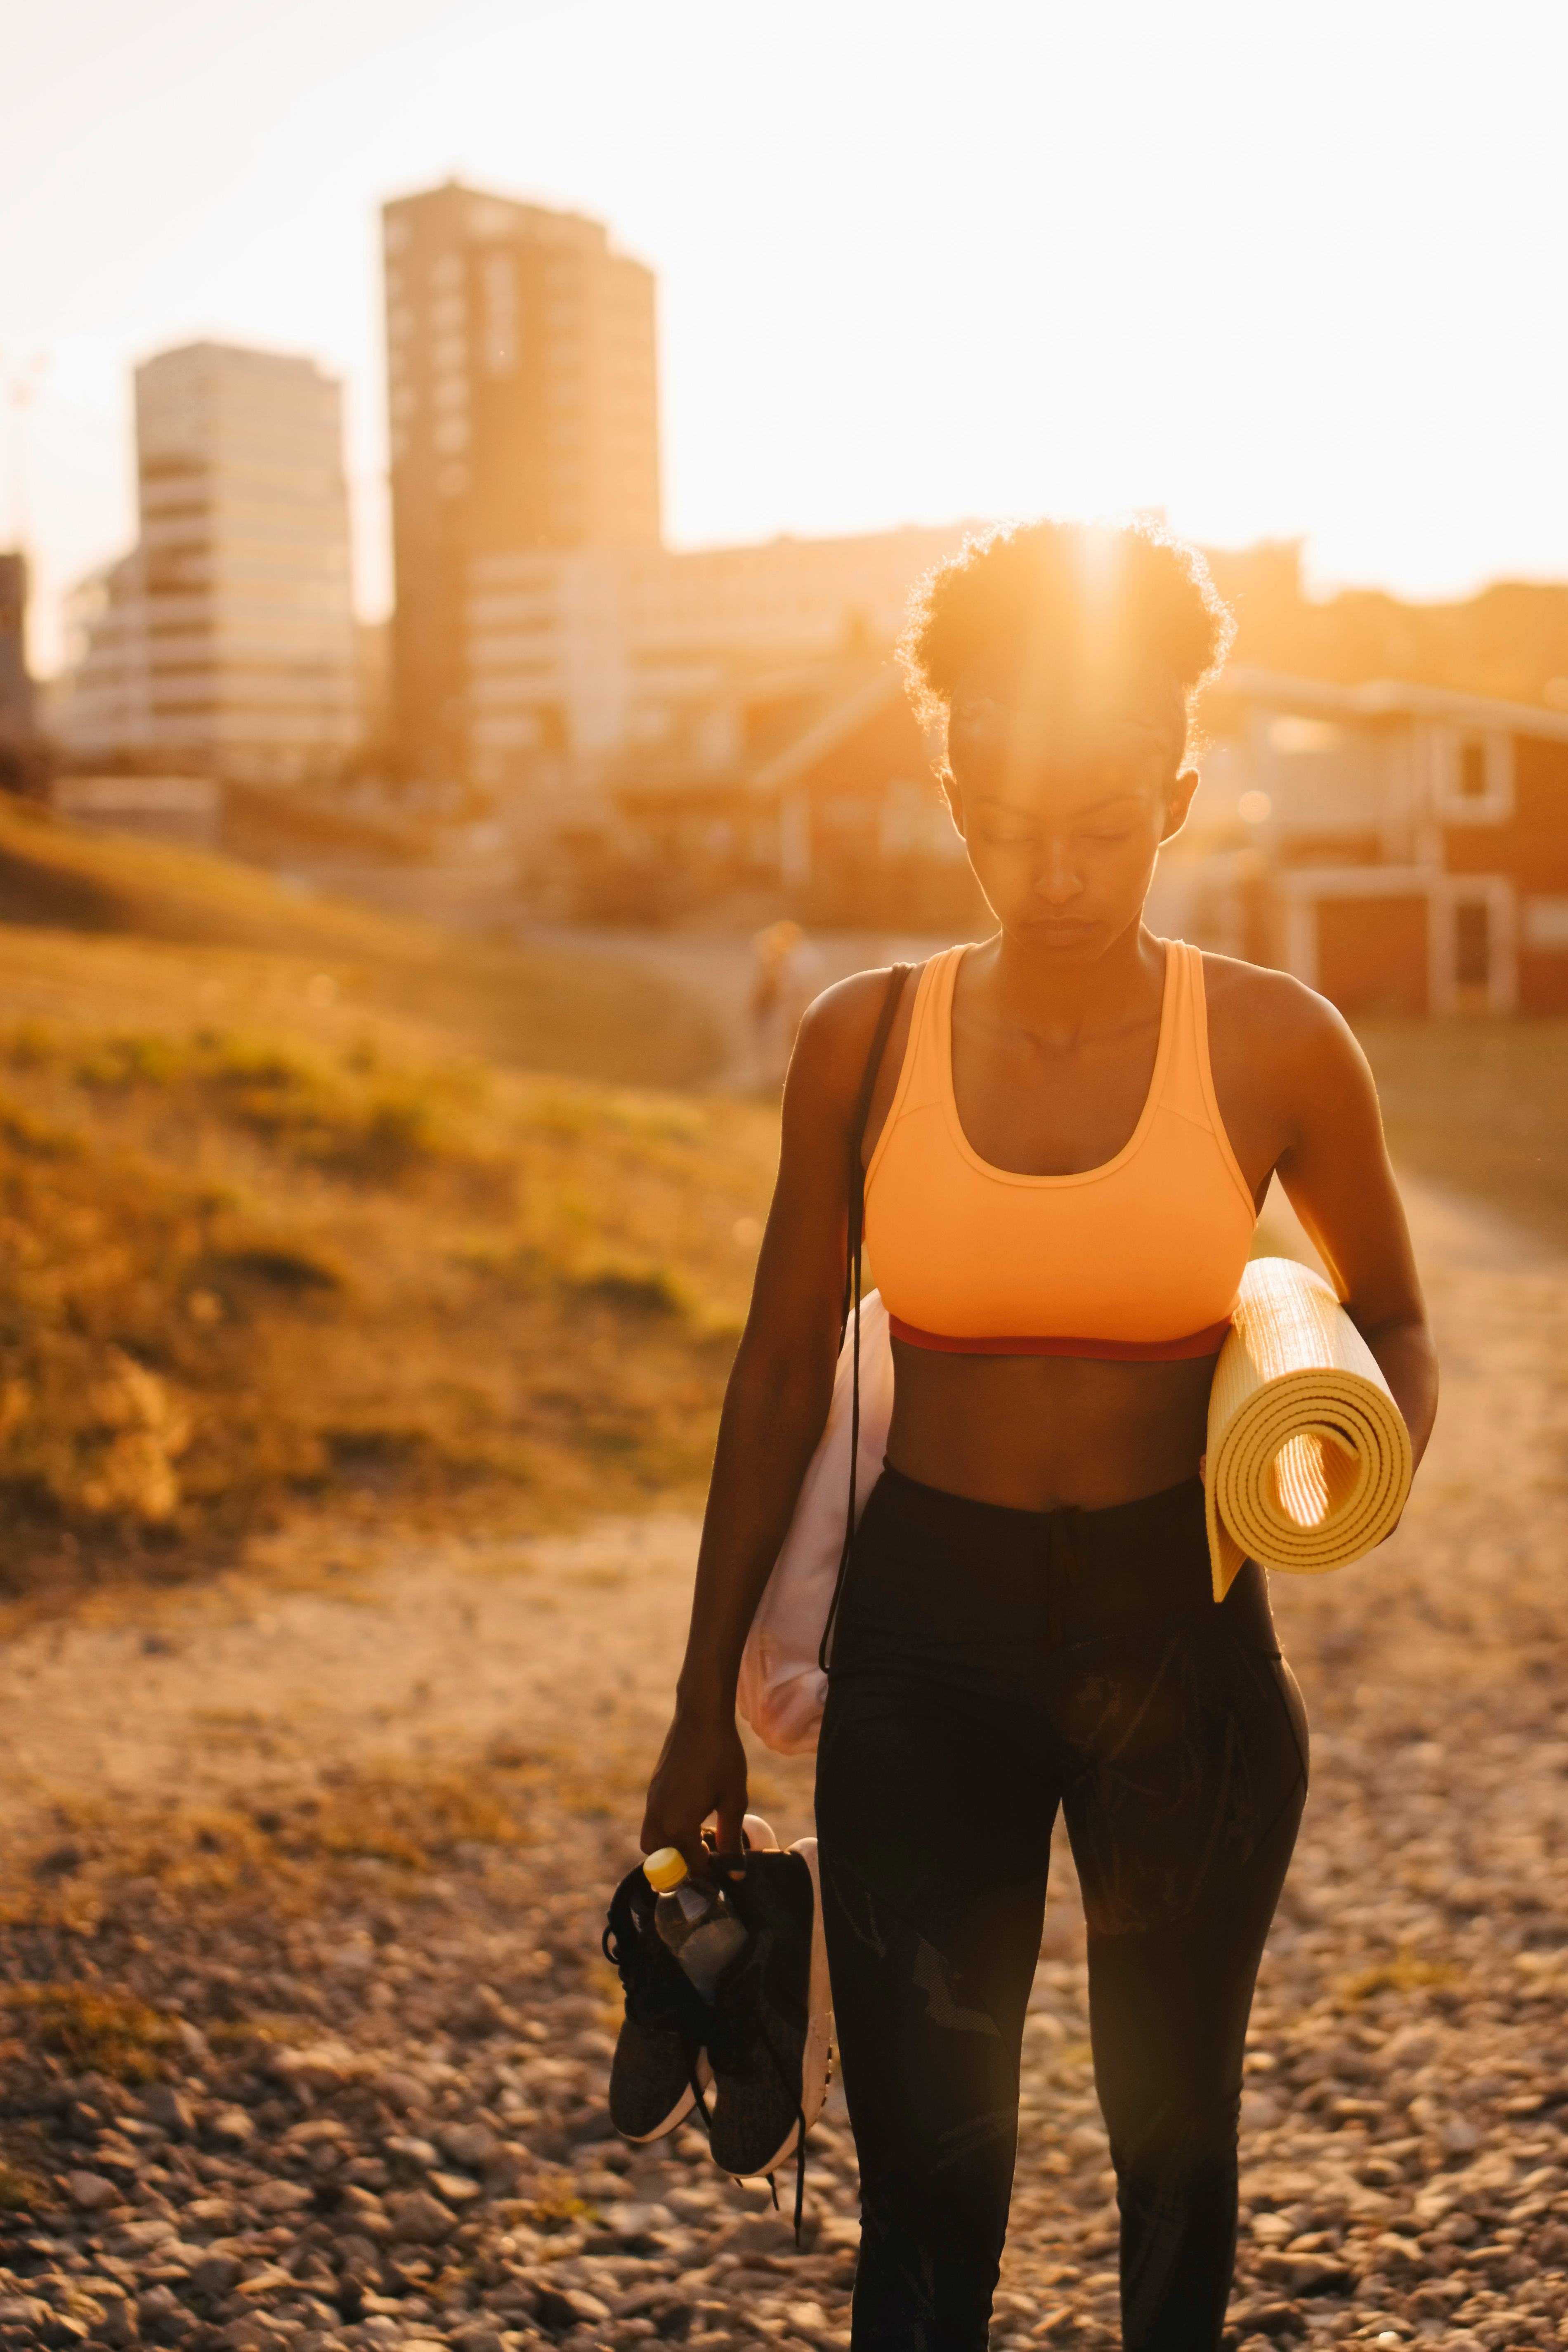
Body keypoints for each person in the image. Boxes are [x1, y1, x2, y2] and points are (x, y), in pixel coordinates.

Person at [638, 521, 1438, 2352]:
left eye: (1099, 819)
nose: (1053, 868)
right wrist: (698, 1712)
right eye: (1005, 819)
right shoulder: (858, 1041)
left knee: (1174, 2145)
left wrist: (1354, 1451)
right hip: (925, 1643)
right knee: (930, 2175)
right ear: (948, 793)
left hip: (1187, 1638)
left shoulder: (1278, 1045)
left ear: (1175, 792)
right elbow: (773, 1374)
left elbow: (1388, 1317)